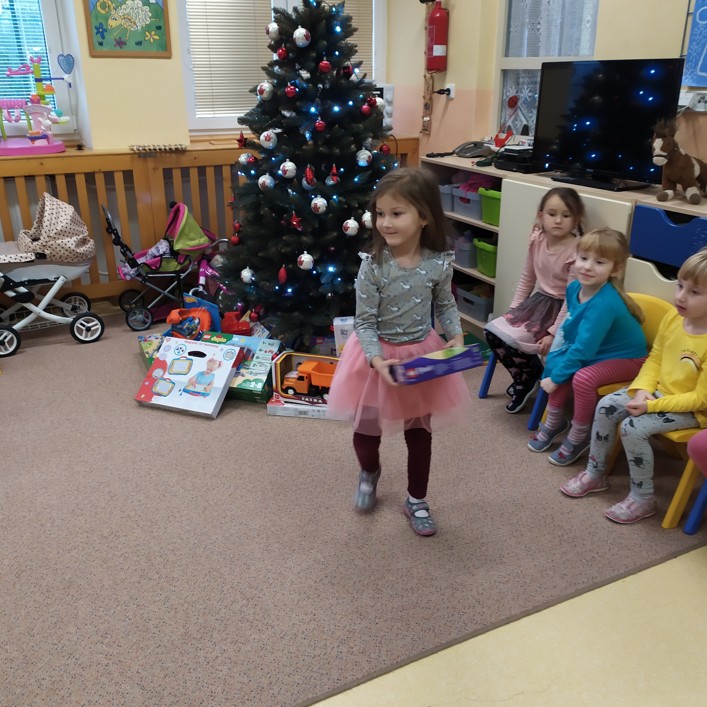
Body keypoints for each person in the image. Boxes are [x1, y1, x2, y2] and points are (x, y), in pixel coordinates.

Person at [326, 167, 471, 537]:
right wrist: (377, 361)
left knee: (419, 433)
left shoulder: (439, 262)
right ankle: (369, 471)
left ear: (424, 217)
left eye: (396, 213)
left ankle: (416, 499)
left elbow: (445, 303)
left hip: (420, 356)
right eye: (380, 213)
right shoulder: (373, 266)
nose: (385, 223)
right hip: (375, 358)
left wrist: (455, 334)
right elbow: (364, 322)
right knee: (367, 430)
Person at [559, 246, 707, 524]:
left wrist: (651, 405)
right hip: (656, 393)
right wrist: (642, 390)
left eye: (694, 292)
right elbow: (655, 359)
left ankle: (643, 498)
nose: (680, 296)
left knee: (632, 427)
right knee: (606, 406)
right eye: (679, 286)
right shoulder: (674, 318)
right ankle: (595, 473)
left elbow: (700, 399)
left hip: (693, 410)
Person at [527, 229, 648, 465]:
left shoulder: (604, 303)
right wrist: (558, 363)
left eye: (599, 262)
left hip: (630, 359)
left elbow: (584, 349)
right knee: (560, 363)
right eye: (583, 258)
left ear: (615, 269)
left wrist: (556, 377)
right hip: (598, 351)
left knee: (581, 378)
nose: (588, 267)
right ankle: (554, 423)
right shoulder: (574, 288)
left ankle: (580, 434)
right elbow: (575, 328)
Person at [484, 187, 586, 413]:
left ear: (577, 218)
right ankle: (528, 376)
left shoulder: (577, 250)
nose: (558, 220)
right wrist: (513, 310)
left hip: (562, 310)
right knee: (493, 332)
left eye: (566, 215)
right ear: (541, 215)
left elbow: (572, 298)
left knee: (513, 339)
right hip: (538, 303)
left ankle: (526, 379)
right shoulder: (537, 239)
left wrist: (553, 333)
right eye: (552, 214)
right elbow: (527, 278)